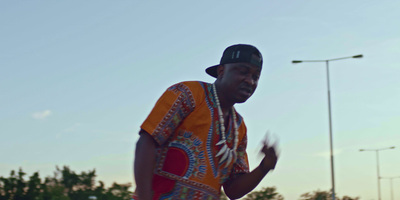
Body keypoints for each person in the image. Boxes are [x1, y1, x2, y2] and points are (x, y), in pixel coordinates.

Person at [133, 44, 278, 200]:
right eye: (243, 72)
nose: (250, 81)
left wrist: (265, 167)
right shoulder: (188, 94)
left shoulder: (239, 127)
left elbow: (233, 191)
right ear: (221, 71)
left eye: (256, 77)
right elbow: (147, 141)